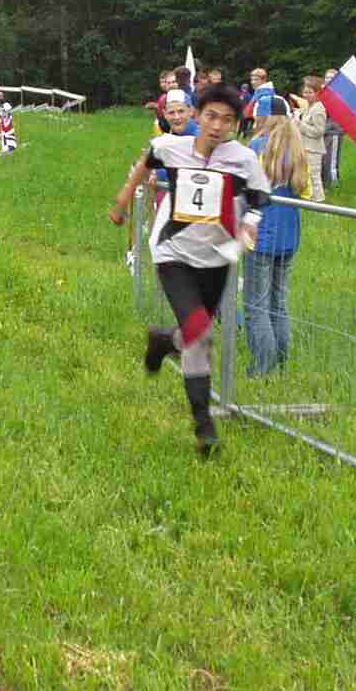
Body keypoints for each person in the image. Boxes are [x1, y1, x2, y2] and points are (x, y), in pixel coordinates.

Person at [107, 84, 269, 457]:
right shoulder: (171, 147)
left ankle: (165, 341)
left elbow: (260, 200)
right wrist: (122, 202)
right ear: (197, 115)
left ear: (235, 124)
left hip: (216, 258)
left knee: (193, 334)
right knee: (201, 334)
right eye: (211, 116)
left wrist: (251, 224)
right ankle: (204, 427)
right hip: (173, 254)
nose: (217, 126)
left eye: (226, 120)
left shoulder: (243, 159)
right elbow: (145, 163)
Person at [245, 115, 309, 376]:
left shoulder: (258, 147)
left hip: (260, 238)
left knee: (256, 306)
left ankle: (263, 367)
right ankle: (280, 363)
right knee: (278, 303)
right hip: (289, 238)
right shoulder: (297, 151)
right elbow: (307, 192)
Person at [294, 75, 328, 203]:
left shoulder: (319, 109)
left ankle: (319, 200)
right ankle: (309, 198)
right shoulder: (308, 107)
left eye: (310, 92)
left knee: (314, 176)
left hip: (314, 149)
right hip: (305, 147)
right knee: (306, 175)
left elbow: (319, 131)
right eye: (305, 92)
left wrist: (300, 124)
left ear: (317, 93)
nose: (306, 95)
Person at [320, 67, 344, 189]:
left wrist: (323, 128)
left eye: (332, 77)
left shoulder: (339, 95)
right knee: (323, 159)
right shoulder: (323, 94)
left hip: (334, 132)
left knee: (332, 160)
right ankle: (325, 183)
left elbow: (337, 118)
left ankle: (334, 185)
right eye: (327, 77)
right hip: (323, 132)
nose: (329, 80)